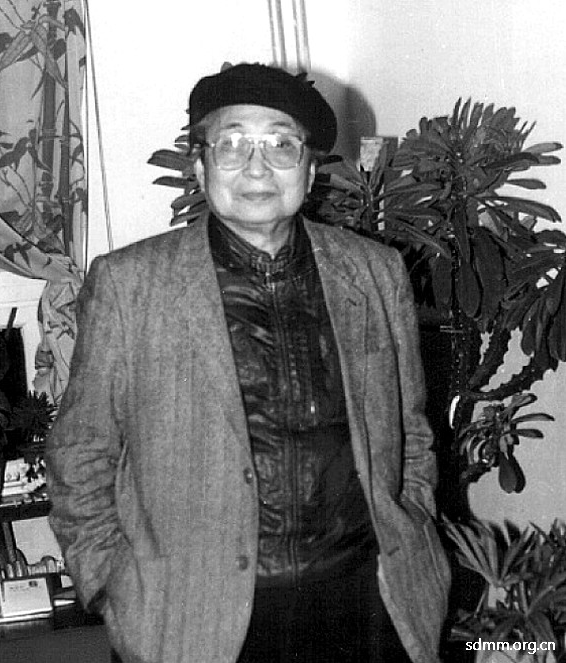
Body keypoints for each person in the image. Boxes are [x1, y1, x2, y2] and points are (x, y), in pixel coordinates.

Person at [46, 63, 451, 663]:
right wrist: (113, 585)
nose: (256, 168)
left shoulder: (375, 271)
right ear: (200, 165)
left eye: (281, 145)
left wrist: (413, 523)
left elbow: (410, 430)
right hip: (194, 615)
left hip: (367, 599)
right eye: (232, 144)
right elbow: (80, 453)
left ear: (309, 169)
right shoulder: (130, 286)